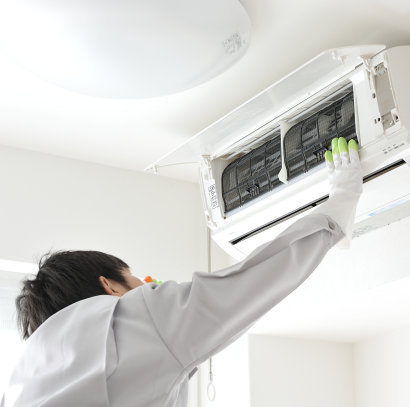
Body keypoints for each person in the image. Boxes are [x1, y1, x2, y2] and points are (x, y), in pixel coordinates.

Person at [1, 137, 363, 407]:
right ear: (109, 286)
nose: (146, 284)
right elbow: (250, 285)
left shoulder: (25, 383)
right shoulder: (131, 319)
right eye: (134, 277)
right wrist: (337, 211)